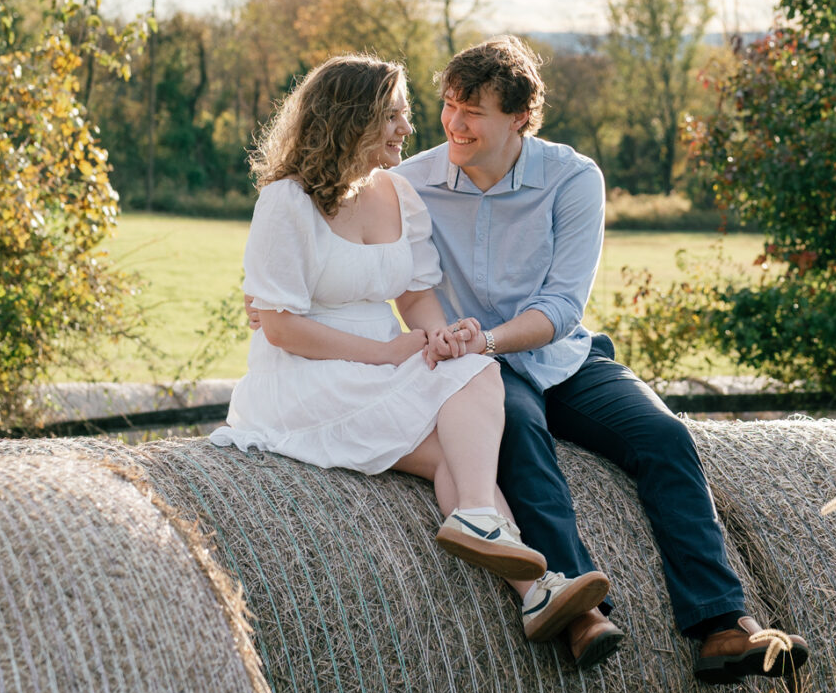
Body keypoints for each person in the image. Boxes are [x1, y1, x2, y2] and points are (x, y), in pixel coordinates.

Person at [393, 35, 808, 686]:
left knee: (665, 437)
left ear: (520, 117)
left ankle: (721, 624)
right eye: (449, 105)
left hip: (558, 355)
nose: (455, 123)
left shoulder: (572, 177)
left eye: (473, 111)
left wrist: (491, 339)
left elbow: (562, 304)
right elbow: (399, 278)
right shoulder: (408, 184)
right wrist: (463, 349)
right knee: (521, 437)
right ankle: (580, 611)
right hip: (475, 369)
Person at [211, 53, 613, 644]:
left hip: (386, 356)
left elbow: (417, 296)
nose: (409, 128)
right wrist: (385, 353)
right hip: (308, 371)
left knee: (474, 381)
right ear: (355, 120)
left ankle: (503, 552)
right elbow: (281, 328)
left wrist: (440, 336)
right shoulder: (287, 201)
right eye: (395, 116)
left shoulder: (400, 194)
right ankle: (529, 580)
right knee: (457, 448)